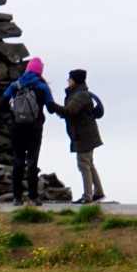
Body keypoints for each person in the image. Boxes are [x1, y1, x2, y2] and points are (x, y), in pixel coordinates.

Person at [0, 57, 61, 205]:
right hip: (34, 128)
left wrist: (14, 111)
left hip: (16, 128)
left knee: (18, 161)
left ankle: (17, 198)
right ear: (40, 71)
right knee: (32, 162)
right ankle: (33, 197)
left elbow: (1, 104)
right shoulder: (42, 87)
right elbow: (52, 109)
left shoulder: (15, 85)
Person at [55, 68, 107, 204]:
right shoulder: (78, 94)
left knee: (83, 163)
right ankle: (98, 193)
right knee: (88, 163)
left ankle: (87, 196)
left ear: (75, 80)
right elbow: (71, 111)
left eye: (70, 78)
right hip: (86, 133)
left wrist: (53, 106)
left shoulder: (80, 95)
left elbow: (70, 110)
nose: (68, 80)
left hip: (84, 134)